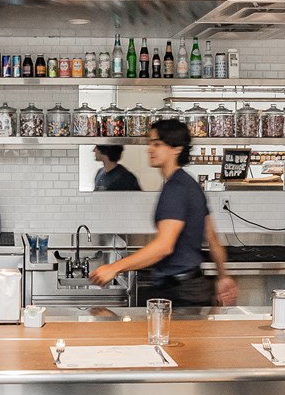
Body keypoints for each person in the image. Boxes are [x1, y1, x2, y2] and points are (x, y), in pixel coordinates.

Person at [89, 120, 238, 307]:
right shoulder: (189, 184)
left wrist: (114, 268)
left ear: (177, 148)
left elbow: (163, 246)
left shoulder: (175, 189)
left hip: (179, 293)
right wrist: (223, 276)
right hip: (194, 288)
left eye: (157, 144)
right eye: (150, 143)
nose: (149, 149)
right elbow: (213, 238)